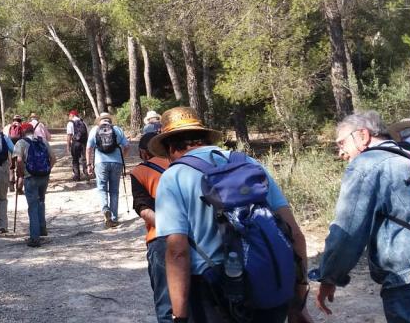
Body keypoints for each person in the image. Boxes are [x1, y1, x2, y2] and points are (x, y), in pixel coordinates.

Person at [150, 106, 311, 323]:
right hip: (267, 281)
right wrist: (298, 303)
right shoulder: (249, 164)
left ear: (170, 148)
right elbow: (295, 235)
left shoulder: (173, 177)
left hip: (213, 292)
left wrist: (179, 316)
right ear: (205, 138)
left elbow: (177, 251)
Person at [311, 111, 410, 322]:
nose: (341, 153)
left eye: (341, 143)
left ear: (363, 136)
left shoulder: (367, 164)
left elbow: (347, 231)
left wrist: (329, 276)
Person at [130, 131, 173, 323]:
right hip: (196, 236)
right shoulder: (181, 164)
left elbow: (144, 210)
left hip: (161, 237)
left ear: (143, 152)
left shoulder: (139, 172)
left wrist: (170, 227)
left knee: (165, 300)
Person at [15, 122, 56, 247]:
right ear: (33, 131)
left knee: (32, 206)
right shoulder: (42, 141)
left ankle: (34, 237)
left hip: (30, 176)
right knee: (41, 201)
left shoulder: (21, 143)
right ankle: (42, 229)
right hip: (44, 176)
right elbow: (53, 158)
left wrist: (21, 173)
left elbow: (19, 160)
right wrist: (47, 170)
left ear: (22, 132)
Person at [86, 112, 130, 228]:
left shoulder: (95, 129)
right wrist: (122, 158)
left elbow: (89, 148)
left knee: (102, 189)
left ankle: (105, 209)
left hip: (100, 162)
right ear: (109, 120)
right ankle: (114, 218)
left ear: (99, 120)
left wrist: (89, 164)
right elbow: (127, 146)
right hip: (116, 162)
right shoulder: (117, 129)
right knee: (114, 191)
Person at [66, 109, 89, 181]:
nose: (68, 117)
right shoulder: (83, 122)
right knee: (84, 159)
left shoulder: (70, 123)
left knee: (75, 159)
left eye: (69, 115)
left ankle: (77, 176)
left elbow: (69, 135)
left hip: (75, 143)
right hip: (83, 143)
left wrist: (68, 145)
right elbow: (86, 134)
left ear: (72, 115)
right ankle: (87, 174)